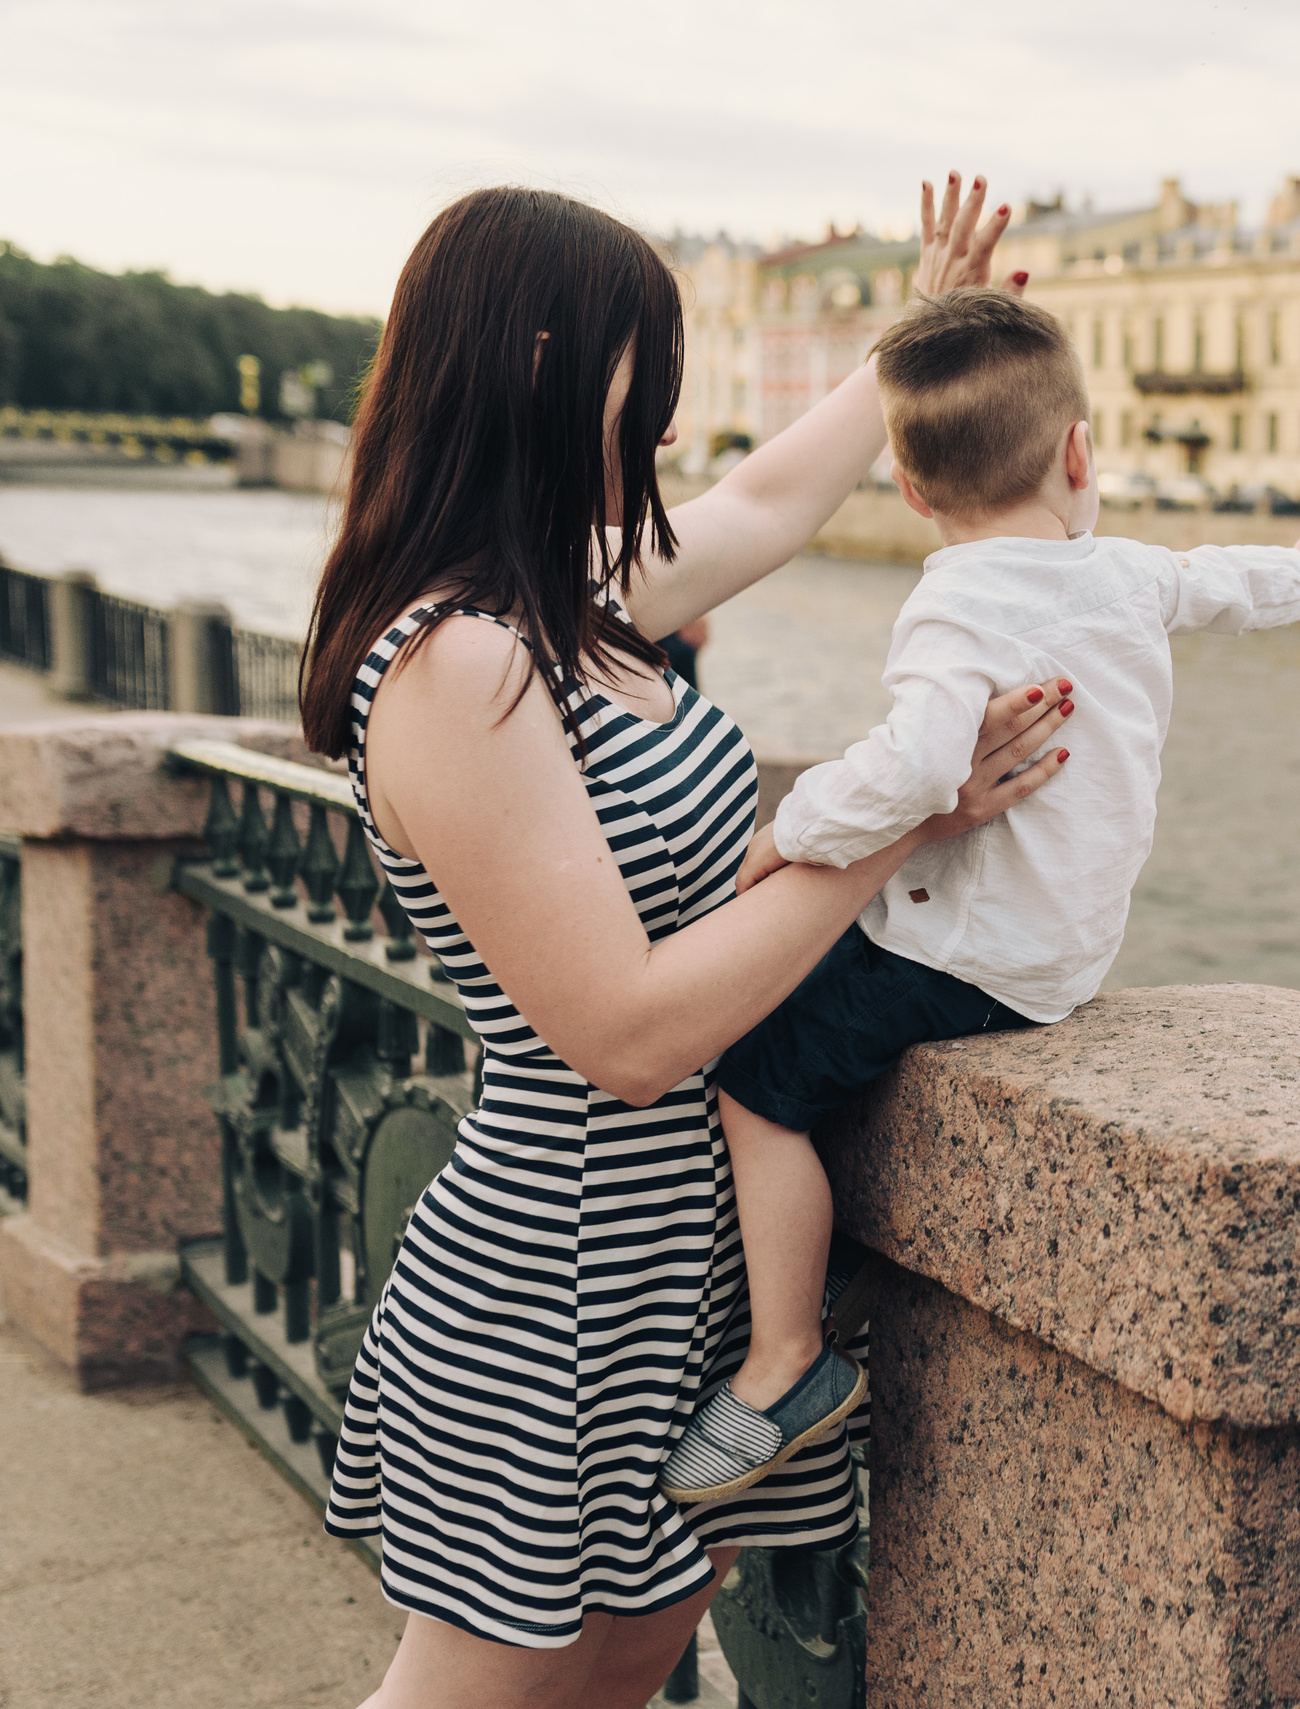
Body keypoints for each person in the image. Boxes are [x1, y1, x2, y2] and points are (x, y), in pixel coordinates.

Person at [295, 175, 1062, 1709]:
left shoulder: (572, 591)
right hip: (557, 1263)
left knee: (632, 1662)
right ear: (539, 360)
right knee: (482, 1690)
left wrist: (917, 332)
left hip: (682, 1247)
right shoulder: (458, 658)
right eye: (643, 356)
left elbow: (777, 498)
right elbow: (629, 1033)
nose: (665, 411)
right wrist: (903, 822)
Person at [656, 286, 1300, 1501]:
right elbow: (1212, 579)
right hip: (1063, 956)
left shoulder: (957, 599)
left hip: (961, 954)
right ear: (1079, 453)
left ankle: (782, 1356)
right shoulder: (1122, 574)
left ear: (910, 494)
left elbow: (909, 768)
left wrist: (776, 841)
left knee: (754, 1078)